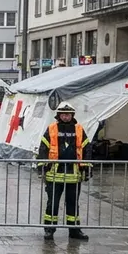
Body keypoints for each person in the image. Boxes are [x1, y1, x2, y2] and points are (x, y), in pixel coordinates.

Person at [37, 102, 90, 241]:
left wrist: (87, 168)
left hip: (73, 174)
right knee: (52, 203)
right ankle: (49, 230)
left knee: (73, 203)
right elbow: (43, 149)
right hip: (54, 174)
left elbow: (86, 148)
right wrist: (41, 168)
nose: (66, 116)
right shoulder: (51, 129)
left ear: (72, 115)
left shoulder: (79, 129)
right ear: (59, 115)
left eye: (68, 114)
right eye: (63, 114)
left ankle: (74, 230)